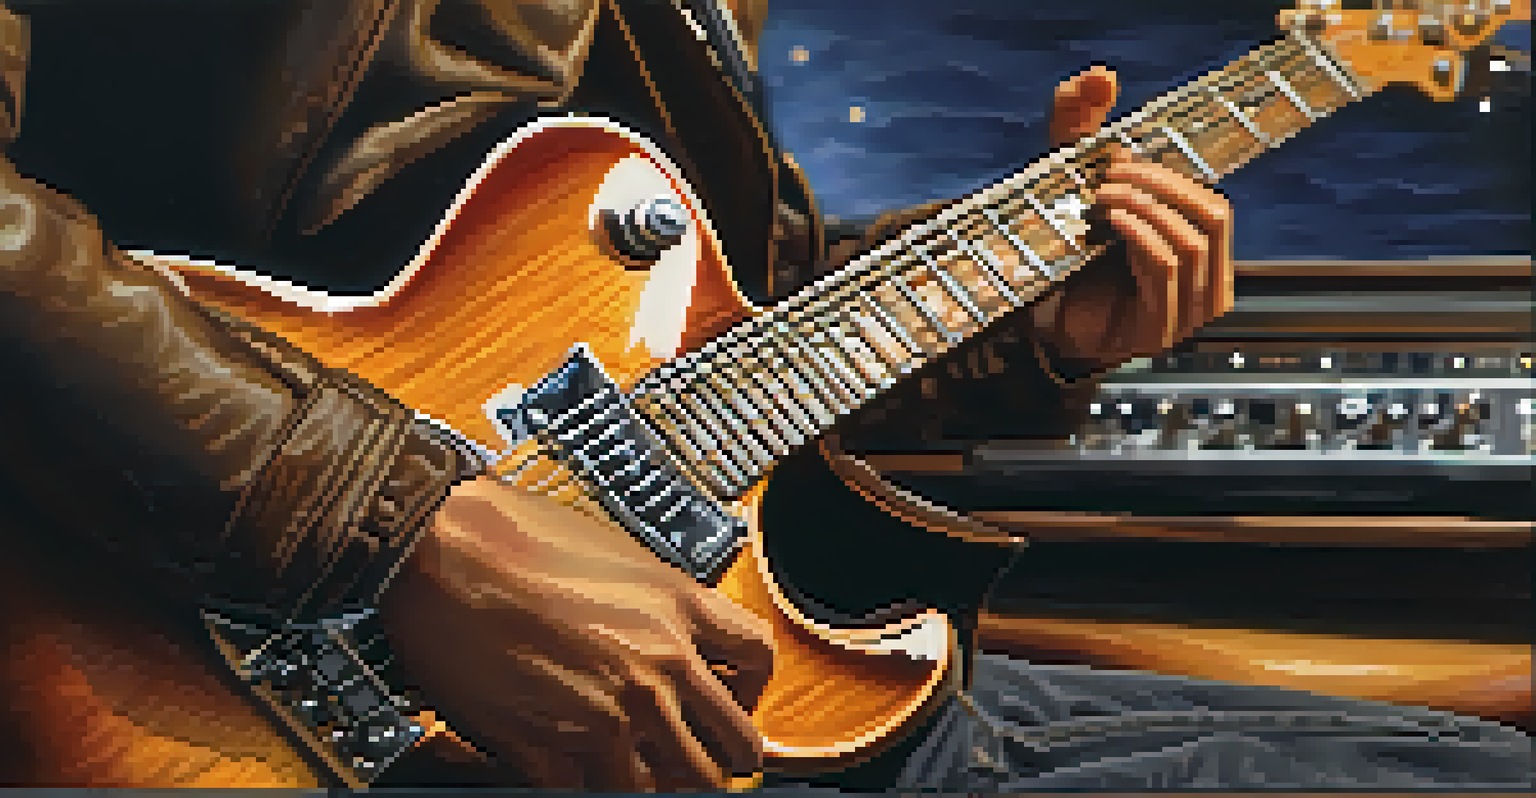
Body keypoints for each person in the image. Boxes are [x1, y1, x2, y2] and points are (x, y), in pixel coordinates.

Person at [0, 0, 1527, 791]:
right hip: (191, 644)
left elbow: (713, 339)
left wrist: (1028, 325)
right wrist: (404, 534)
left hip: (662, 698)